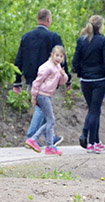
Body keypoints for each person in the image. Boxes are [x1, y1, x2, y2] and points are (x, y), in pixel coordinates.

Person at [13, 8, 70, 148]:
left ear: (37, 19)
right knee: (42, 107)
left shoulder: (26, 37)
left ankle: (50, 137)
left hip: (31, 77)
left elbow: (19, 59)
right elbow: (63, 59)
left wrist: (17, 81)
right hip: (48, 78)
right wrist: (68, 78)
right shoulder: (54, 37)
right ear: (49, 20)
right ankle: (31, 137)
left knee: (44, 107)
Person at [72, 15, 105, 154]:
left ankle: (96, 140)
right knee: (95, 111)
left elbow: (75, 61)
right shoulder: (103, 41)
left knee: (93, 110)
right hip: (99, 80)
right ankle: (91, 143)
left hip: (86, 80)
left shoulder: (81, 41)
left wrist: (81, 73)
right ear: (100, 26)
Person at [24, 46, 68, 156]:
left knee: (49, 120)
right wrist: (34, 96)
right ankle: (34, 139)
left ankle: (50, 146)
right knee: (51, 120)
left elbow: (61, 82)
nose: (58, 58)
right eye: (56, 55)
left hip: (48, 95)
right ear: (51, 55)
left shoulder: (58, 67)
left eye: (61, 56)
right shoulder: (47, 67)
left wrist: (63, 75)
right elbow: (37, 82)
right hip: (42, 95)